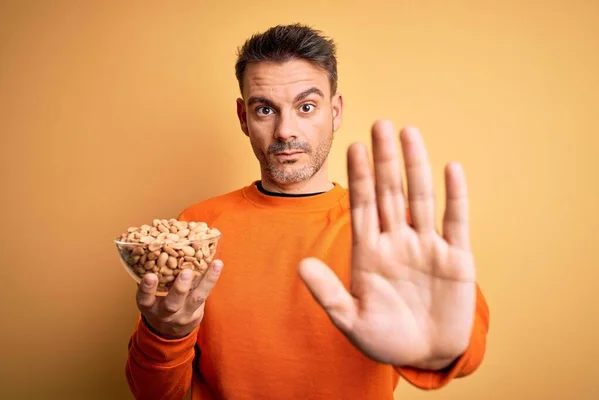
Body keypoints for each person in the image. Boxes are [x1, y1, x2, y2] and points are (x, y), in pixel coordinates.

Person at [125, 23, 490, 400]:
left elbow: (467, 341)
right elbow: (153, 394)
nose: (285, 130)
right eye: (265, 109)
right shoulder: (197, 230)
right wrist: (165, 335)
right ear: (243, 118)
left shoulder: (393, 228)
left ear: (334, 112)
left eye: (306, 107)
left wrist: (439, 351)